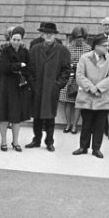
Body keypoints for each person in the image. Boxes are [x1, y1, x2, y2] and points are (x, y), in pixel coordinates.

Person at [25, 21, 70, 151]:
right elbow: (29, 69)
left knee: (50, 116)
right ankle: (36, 139)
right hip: (37, 87)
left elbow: (66, 70)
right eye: (46, 33)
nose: (48, 35)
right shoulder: (35, 49)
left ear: (55, 35)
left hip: (52, 88)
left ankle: (49, 141)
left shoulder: (62, 50)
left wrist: (58, 85)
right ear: (42, 35)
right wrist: (32, 84)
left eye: (51, 33)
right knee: (37, 115)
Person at [71, 33, 109, 158]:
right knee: (86, 123)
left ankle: (96, 149)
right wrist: (91, 88)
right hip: (87, 95)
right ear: (96, 46)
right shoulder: (84, 58)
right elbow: (79, 75)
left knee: (100, 124)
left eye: (108, 45)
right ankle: (83, 147)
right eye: (104, 45)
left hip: (103, 97)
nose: (107, 47)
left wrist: (98, 88)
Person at [0, 27, 33, 151]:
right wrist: (19, 65)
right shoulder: (5, 51)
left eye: (18, 39)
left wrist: (18, 68)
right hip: (5, 85)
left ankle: (15, 142)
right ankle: (3, 141)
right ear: (10, 39)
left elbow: (29, 68)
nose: (16, 41)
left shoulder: (25, 52)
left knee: (17, 116)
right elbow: (4, 67)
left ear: (22, 40)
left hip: (19, 86)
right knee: (4, 115)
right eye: (14, 39)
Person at [60, 26, 89, 135]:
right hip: (69, 77)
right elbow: (63, 62)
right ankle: (68, 124)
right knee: (68, 102)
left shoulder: (88, 48)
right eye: (77, 38)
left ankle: (74, 126)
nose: (79, 40)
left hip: (82, 78)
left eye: (81, 38)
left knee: (78, 102)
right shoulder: (67, 47)